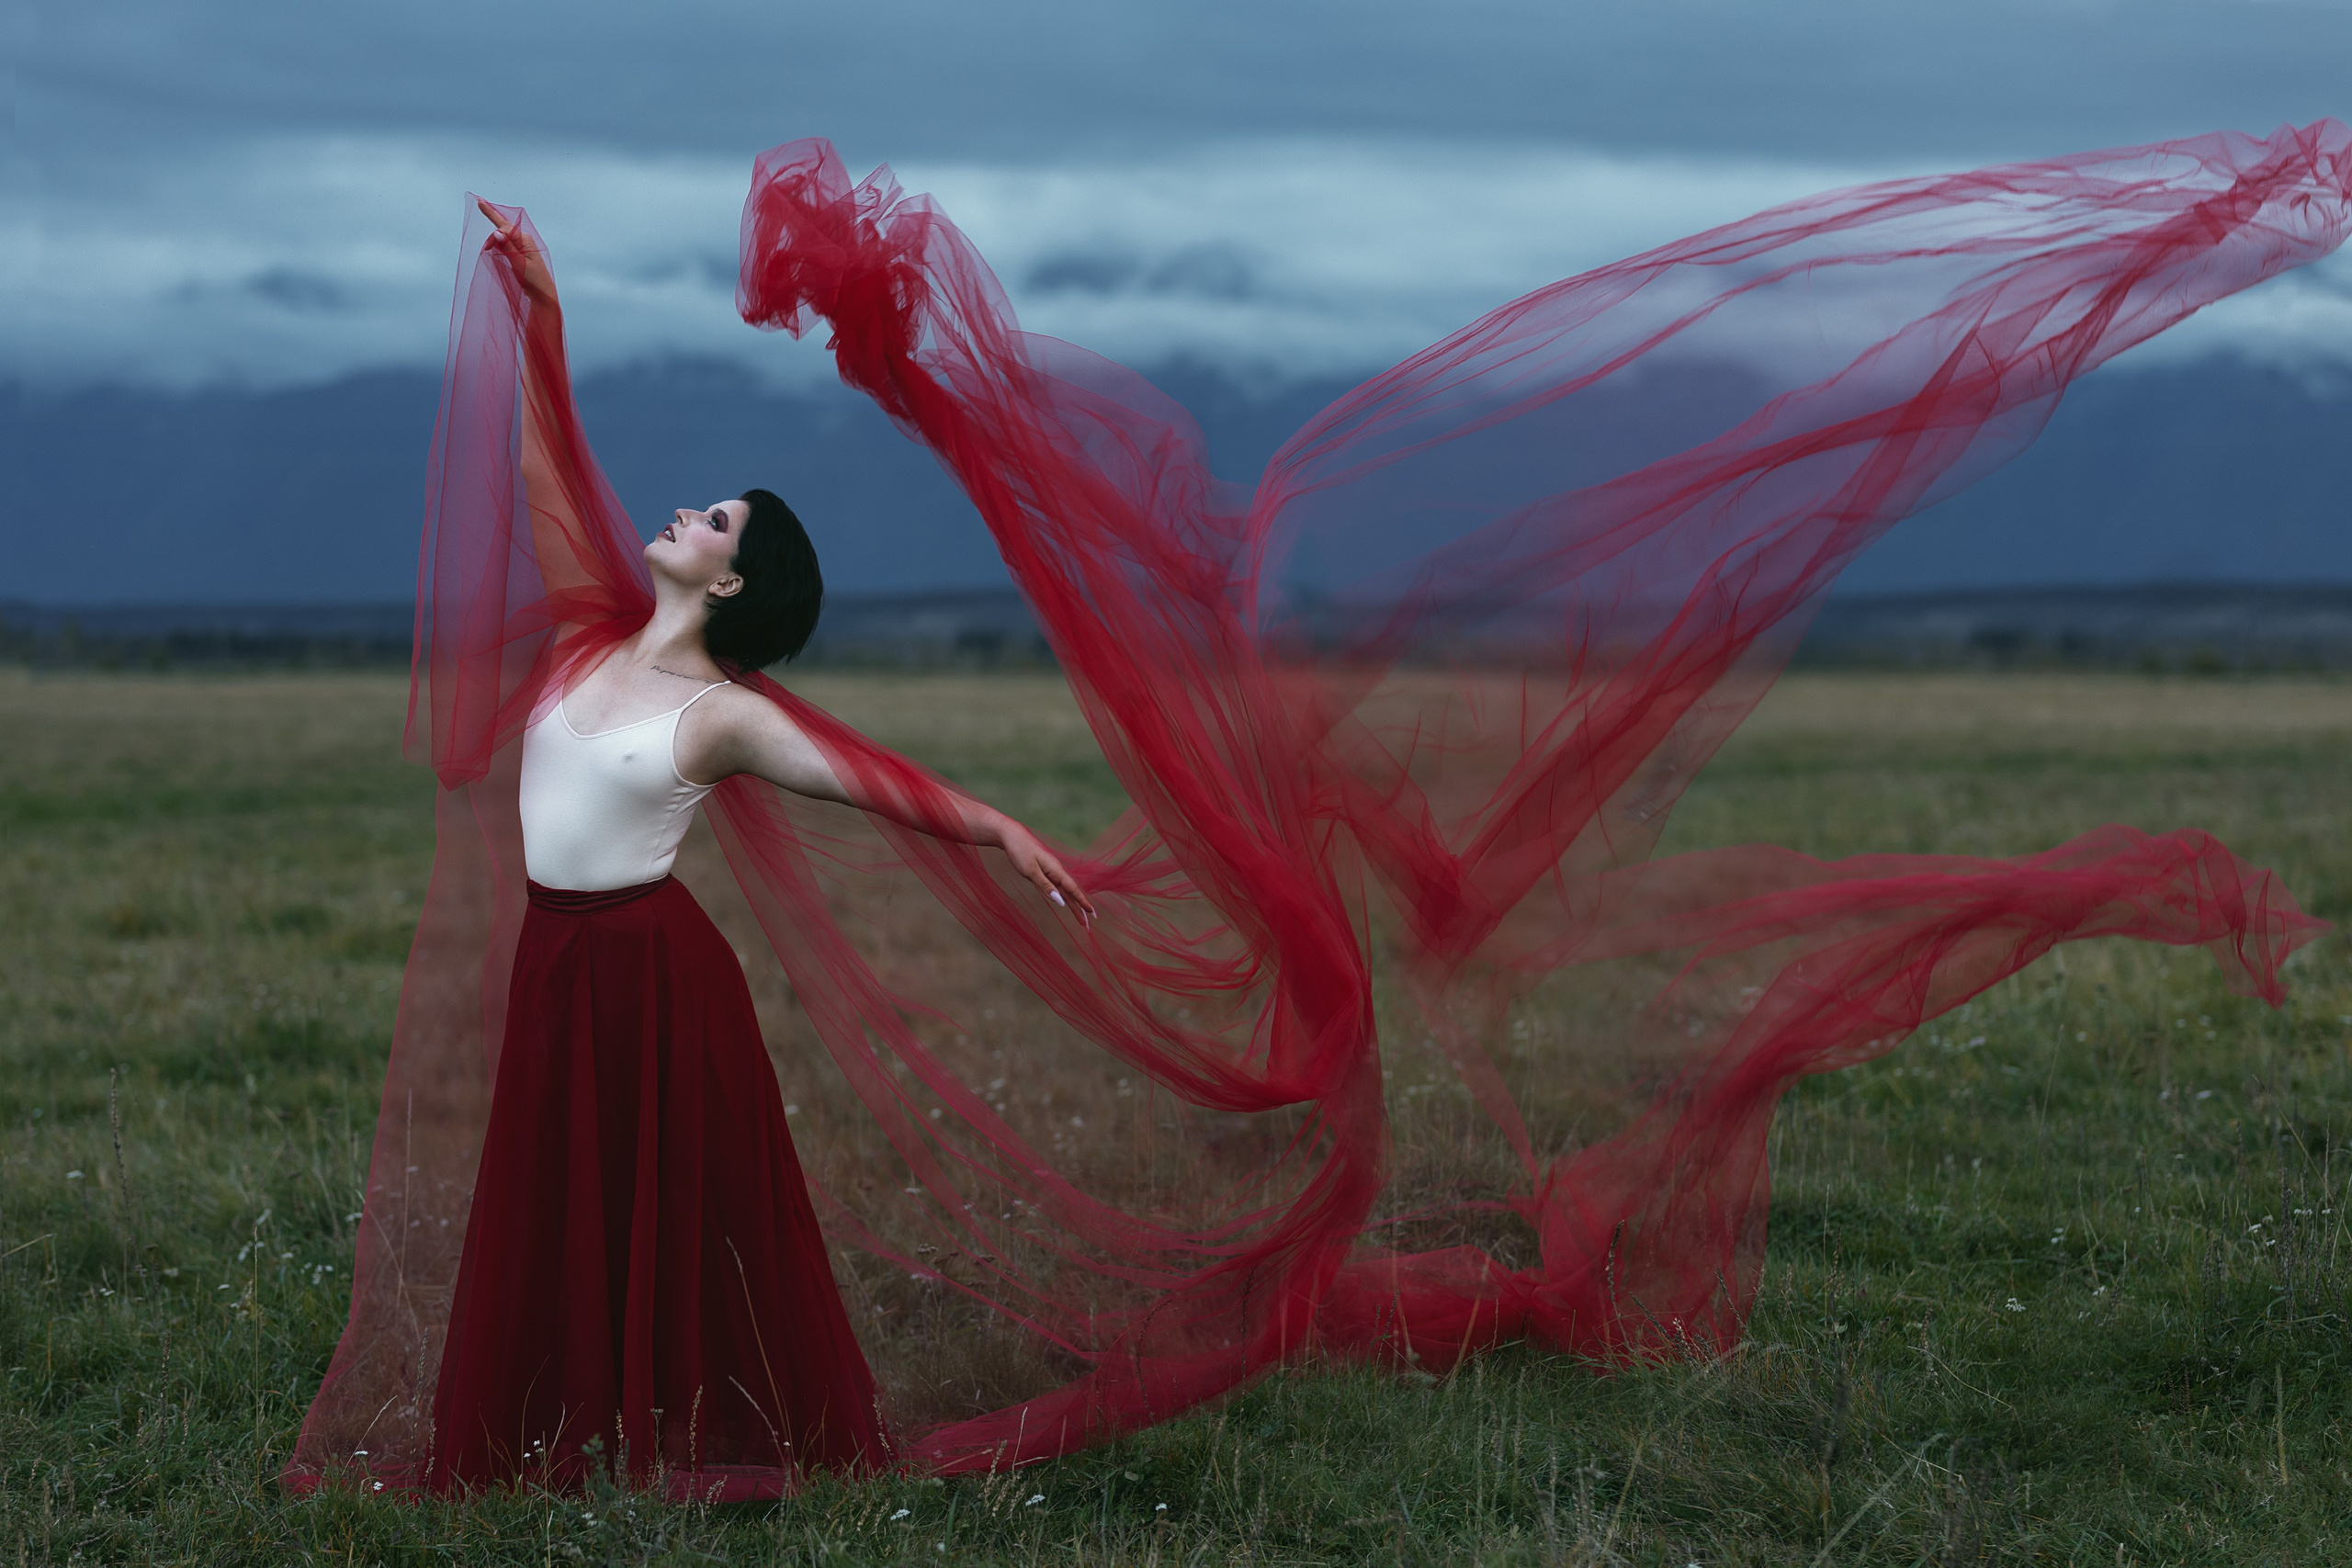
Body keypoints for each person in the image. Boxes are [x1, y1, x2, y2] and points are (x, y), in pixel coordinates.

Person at [422, 202, 1094, 1494]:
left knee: (678, 1222)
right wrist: (543, 318)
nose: (686, 513)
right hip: (553, 963)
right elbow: (544, 476)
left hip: (654, 981)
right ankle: (570, 1438)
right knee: (561, 1209)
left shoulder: (722, 716)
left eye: (716, 521)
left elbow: (868, 782)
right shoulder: (586, 632)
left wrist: (1002, 827)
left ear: (728, 583)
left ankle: (703, 1443)